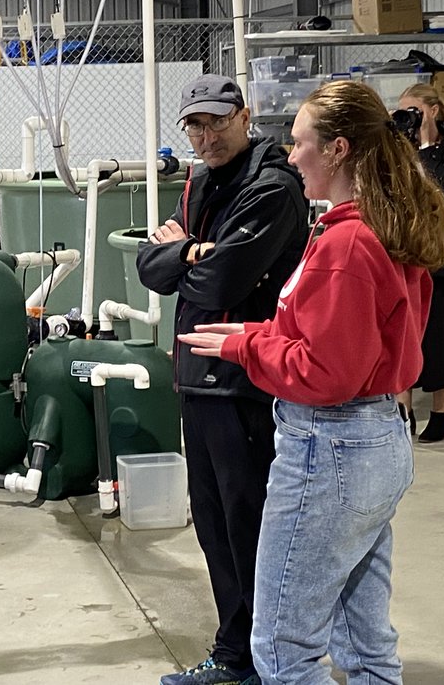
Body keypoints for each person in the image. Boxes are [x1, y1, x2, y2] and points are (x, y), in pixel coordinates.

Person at [179, 79, 444, 685]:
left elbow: (325, 372)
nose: (290, 153)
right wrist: (257, 337)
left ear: (338, 150)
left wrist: (246, 343)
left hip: (330, 449)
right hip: (377, 441)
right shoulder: (381, 227)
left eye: (301, 143)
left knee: (282, 648)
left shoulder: (347, 245)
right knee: (363, 639)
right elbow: (337, 344)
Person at [137, 75, 308, 685]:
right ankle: (236, 654)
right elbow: (149, 267)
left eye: (215, 121)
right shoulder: (202, 182)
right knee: (213, 525)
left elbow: (219, 283)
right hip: (198, 378)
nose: (205, 136)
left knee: (250, 523)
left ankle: (267, 659)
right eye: (195, 126)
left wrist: (187, 255)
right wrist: (188, 252)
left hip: (245, 380)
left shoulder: (273, 187)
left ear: (243, 116)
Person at [394, 83, 444, 443]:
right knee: (403, 330)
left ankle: (441, 414)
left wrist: (418, 147)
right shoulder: (400, 146)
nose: (409, 117)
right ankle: (403, 410)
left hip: (437, 249)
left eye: (414, 110)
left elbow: (439, 187)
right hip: (403, 247)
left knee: (437, 332)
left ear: (434, 110)